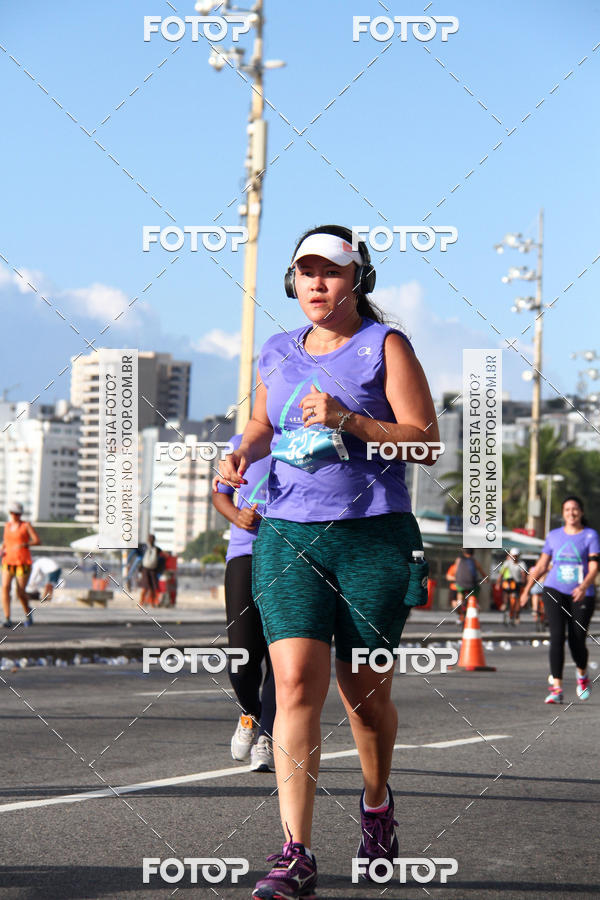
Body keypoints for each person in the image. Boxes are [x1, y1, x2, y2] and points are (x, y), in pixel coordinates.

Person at [216, 224, 440, 899]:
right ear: (293, 282)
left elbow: (425, 441)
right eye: (306, 272)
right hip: (288, 533)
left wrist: (351, 419)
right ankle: (296, 852)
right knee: (293, 689)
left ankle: (376, 806)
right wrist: (239, 454)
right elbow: (263, 425)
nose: (318, 283)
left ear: (357, 280)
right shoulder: (278, 351)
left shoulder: (384, 346)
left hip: (372, 536)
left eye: (332, 272)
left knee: (365, 700)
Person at [212, 435, 276, 772]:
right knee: (241, 664)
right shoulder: (240, 445)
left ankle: (267, 736)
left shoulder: (308, 442)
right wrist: (237, 516)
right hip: (245, 554)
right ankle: (251, 714)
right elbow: (219, 494)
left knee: (282, 660)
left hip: (294, 558)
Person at [520, 496, 599, 704]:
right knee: (556, 637)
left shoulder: (590, 536)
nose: (571, 513)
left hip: (581, 593)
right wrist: (527, 589)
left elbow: (594, 567)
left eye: (575, 509)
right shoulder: (554, 536)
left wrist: (583, 586)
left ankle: (582, 676)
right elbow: (543, 565)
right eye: (567, 509)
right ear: (563, 513)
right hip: (554, 589)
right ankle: (556, 688)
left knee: (577, 640)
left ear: (581, 512)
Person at [1, 502, 41, 627]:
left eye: (17, 513)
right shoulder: (7, 526)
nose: (15, 515)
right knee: (5, 588)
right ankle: (7, 618)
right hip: (8, 561)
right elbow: (6, 542)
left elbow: (37, 541)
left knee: (20, 592)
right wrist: (2, 549)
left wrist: (25, 544)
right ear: (10, 514)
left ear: (20, 514)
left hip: (22, 562)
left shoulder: (26, 525)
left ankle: (27, 612)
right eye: (13, 513)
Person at [451, 549, 486, 622]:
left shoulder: (458, 559)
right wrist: (485, 579)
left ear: (464, 552)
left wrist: (457, 578)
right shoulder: (474, 561)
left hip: (461, 583)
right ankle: (475, 603)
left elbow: (455, 571)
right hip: (472, 584)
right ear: (473, 553)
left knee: (460, 590)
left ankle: (459, 602)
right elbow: (481, 572)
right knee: (477, 589)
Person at [496, 547, 525, 626]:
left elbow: (523, 574)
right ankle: (505, 603)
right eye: (513, 556)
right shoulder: (507, 562)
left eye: (516, 556)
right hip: (509, 582)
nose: (514, 557)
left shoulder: (521, 563)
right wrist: (498, 583)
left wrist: (523, 581)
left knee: (517, 599)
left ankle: (517, 614)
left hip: (517, 583)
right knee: (505, 590)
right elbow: (502, 573)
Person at [139, 534, 163, 606]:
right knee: (145, 587)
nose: (151, 540)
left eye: (152, 539)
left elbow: (161, 557)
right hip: (145, 570)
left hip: (153, 570)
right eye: (150, 539)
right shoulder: (144, 548)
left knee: (153, 588)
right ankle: (141, 602)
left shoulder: (157, 549)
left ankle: (152, 603)